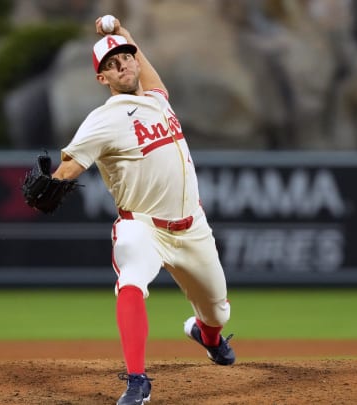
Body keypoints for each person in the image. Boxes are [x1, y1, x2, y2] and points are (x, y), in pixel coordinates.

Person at [23, 17, 235, 405]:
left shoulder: (156, 98)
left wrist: (124, 34)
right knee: (131, 283)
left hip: (193, 228)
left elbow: (140, 61)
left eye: (125, 58)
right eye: (111, 64)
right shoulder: (104, 119)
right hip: (143, 227)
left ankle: (209, 337)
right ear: (102, 78)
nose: (122, 65)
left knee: (218, 311)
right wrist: (53, 180)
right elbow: (70, 167)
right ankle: (137, 381)